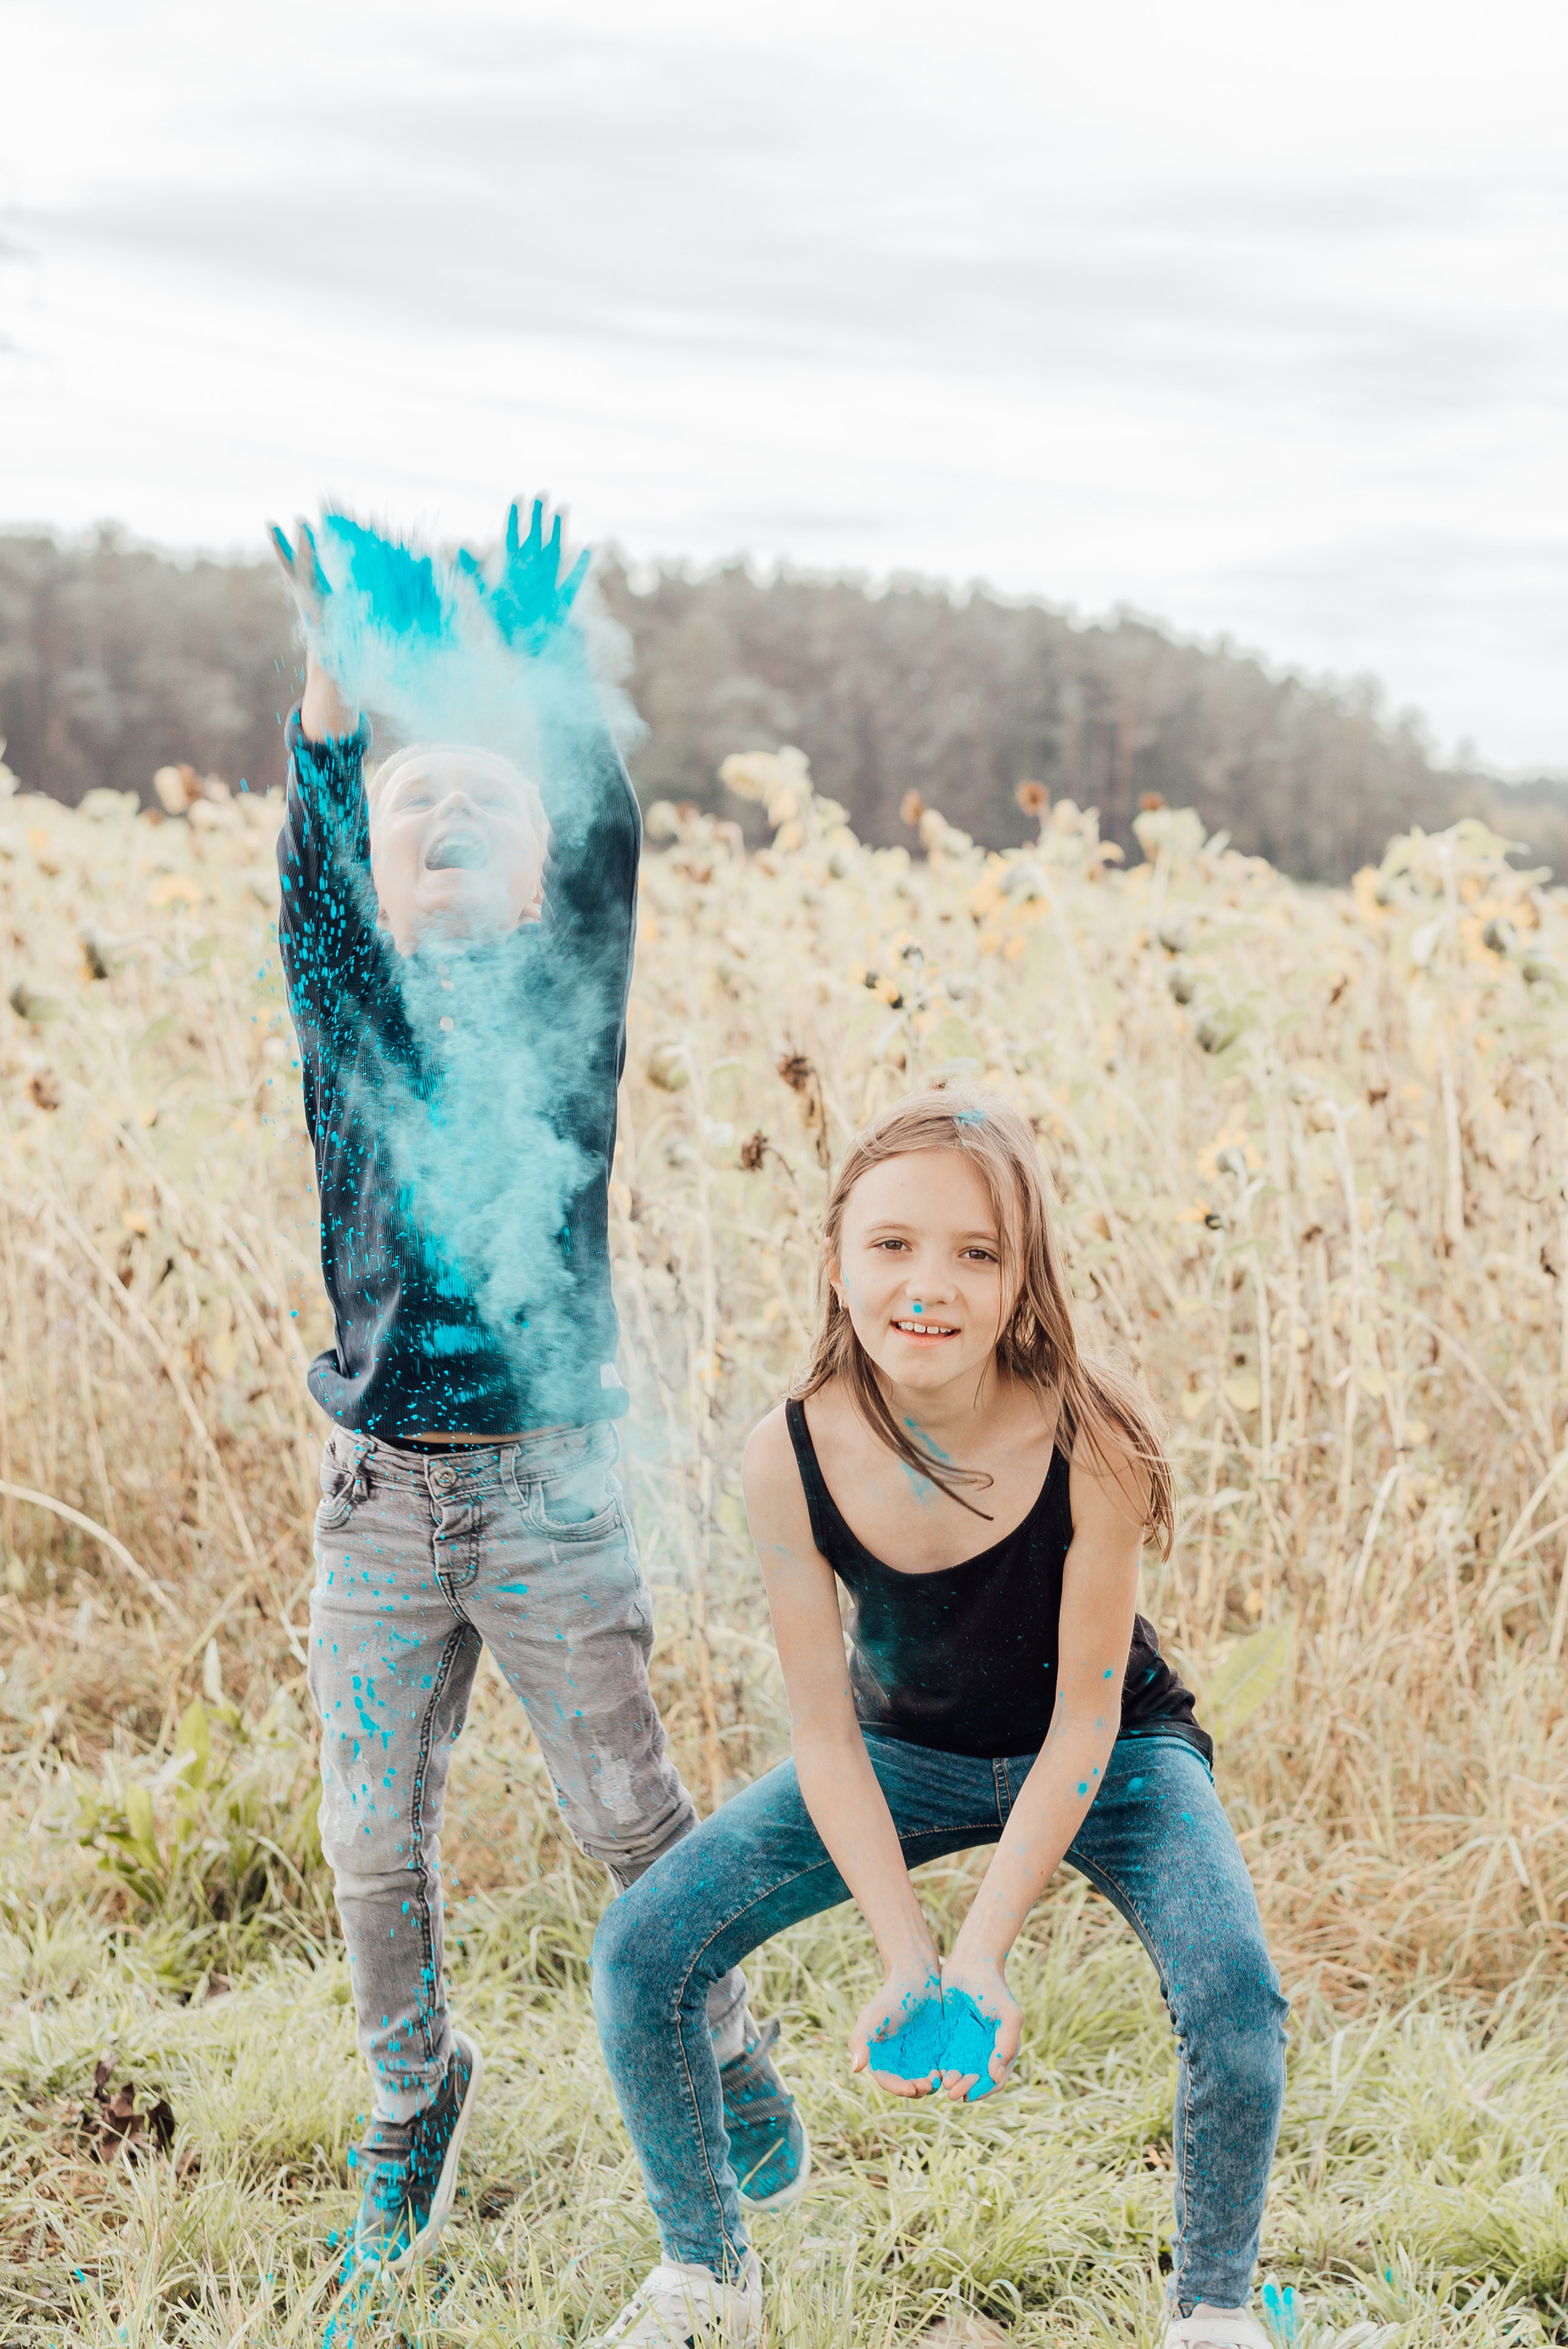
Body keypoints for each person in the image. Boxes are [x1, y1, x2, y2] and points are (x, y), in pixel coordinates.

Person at [270, 504, 806, 2279]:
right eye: (418, 810)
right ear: (383, 872)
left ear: (535, 869)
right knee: (368, 1828)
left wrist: (550, 678)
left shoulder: (564, 1007)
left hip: (553, 1494)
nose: (448, 817)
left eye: (491, 805)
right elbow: (318, 848)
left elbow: (607, 853)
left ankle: (723, 2047)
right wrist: (344, 700)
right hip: (380, 1502)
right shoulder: (352, 1018)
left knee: (628, 1816)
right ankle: (414, 2095)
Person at [591, 1085, 1288, 2349]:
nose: (930, 1284)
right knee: (642, 1947)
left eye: (976, 1254)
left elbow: (1082, 1721)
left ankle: (1215, 2308)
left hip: (1113, 1756)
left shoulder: (1094, 1437)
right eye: (893, 1245)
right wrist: (906, 1953)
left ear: (1023, 1282)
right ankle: (705, 2279)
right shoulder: (786, 1453)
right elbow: (822, 1730)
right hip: (901, 1752)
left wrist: (979, 1952)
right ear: (836, 1261)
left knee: (1235, 1992)